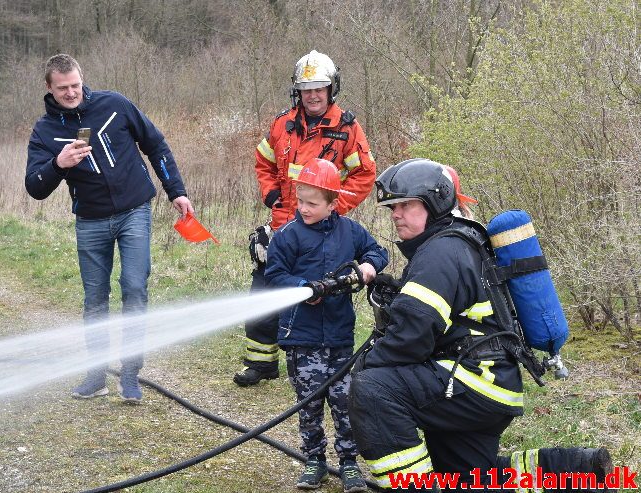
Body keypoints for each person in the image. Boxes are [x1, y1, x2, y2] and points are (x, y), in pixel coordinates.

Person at [348, 158, 612, 491]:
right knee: (466, 479)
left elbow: (413, 333)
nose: (395, 213)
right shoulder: (458, 243)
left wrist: (365, 366)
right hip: (489, 380)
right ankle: (582, 471)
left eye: (404, 205)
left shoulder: (440, 251)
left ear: (436, 201)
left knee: (373, 389)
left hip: (473, 380)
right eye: (392, 207)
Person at [25, 54, 193, 404]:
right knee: (95, 300)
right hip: (90, 220)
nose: (71, 93)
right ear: (48, 88)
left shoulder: (115, 104)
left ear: (82, 79)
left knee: (134, 289)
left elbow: (155, 145)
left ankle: (130, 375)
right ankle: (96, 375)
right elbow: (35, 187)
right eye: (62, 88)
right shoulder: (45, 131)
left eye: (75, 85)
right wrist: (58, 164)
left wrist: (176, 191)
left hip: (134, 211)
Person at [234, 49, 377, 387]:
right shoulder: (282, 124)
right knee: (265, 289)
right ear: (297, 91)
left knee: (315, 296)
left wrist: (334, 209)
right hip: (284, 224)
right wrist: (271, 196)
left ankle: (318, 365)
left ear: (331, 89)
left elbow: (364, 175)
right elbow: (263, 162)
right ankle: (262, 362)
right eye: (306, 88)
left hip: (324, 229)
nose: (313, 95)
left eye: (319, 88)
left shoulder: (347, 128)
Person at [264, 159, 389, 492]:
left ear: (333, 203)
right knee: (310, 403)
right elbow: (274, 277)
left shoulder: (350, 231)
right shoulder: (287, 236)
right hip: (301, 337)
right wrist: (306, 287)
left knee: (345, 402)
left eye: (312, 203)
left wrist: (368, 267)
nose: (303, 208)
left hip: (339, 337)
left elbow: (379, 251)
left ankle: (349, 464)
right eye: (300, 200)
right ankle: (314, 461)